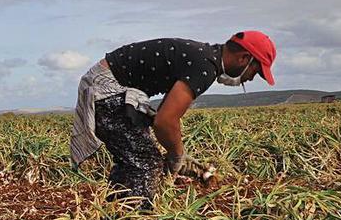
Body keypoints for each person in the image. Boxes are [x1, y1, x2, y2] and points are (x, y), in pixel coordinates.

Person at [70, 30, 276, 207]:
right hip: (107, 88)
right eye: (255, 72)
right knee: (145, 162)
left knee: (135, 158)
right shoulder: (205, 67)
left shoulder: (203, 57)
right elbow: (165, 121)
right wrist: (177, 155)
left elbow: (164, 114)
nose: (249, 79)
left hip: (108, 84)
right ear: (243, 58)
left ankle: (114, 209)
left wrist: (177, 155)